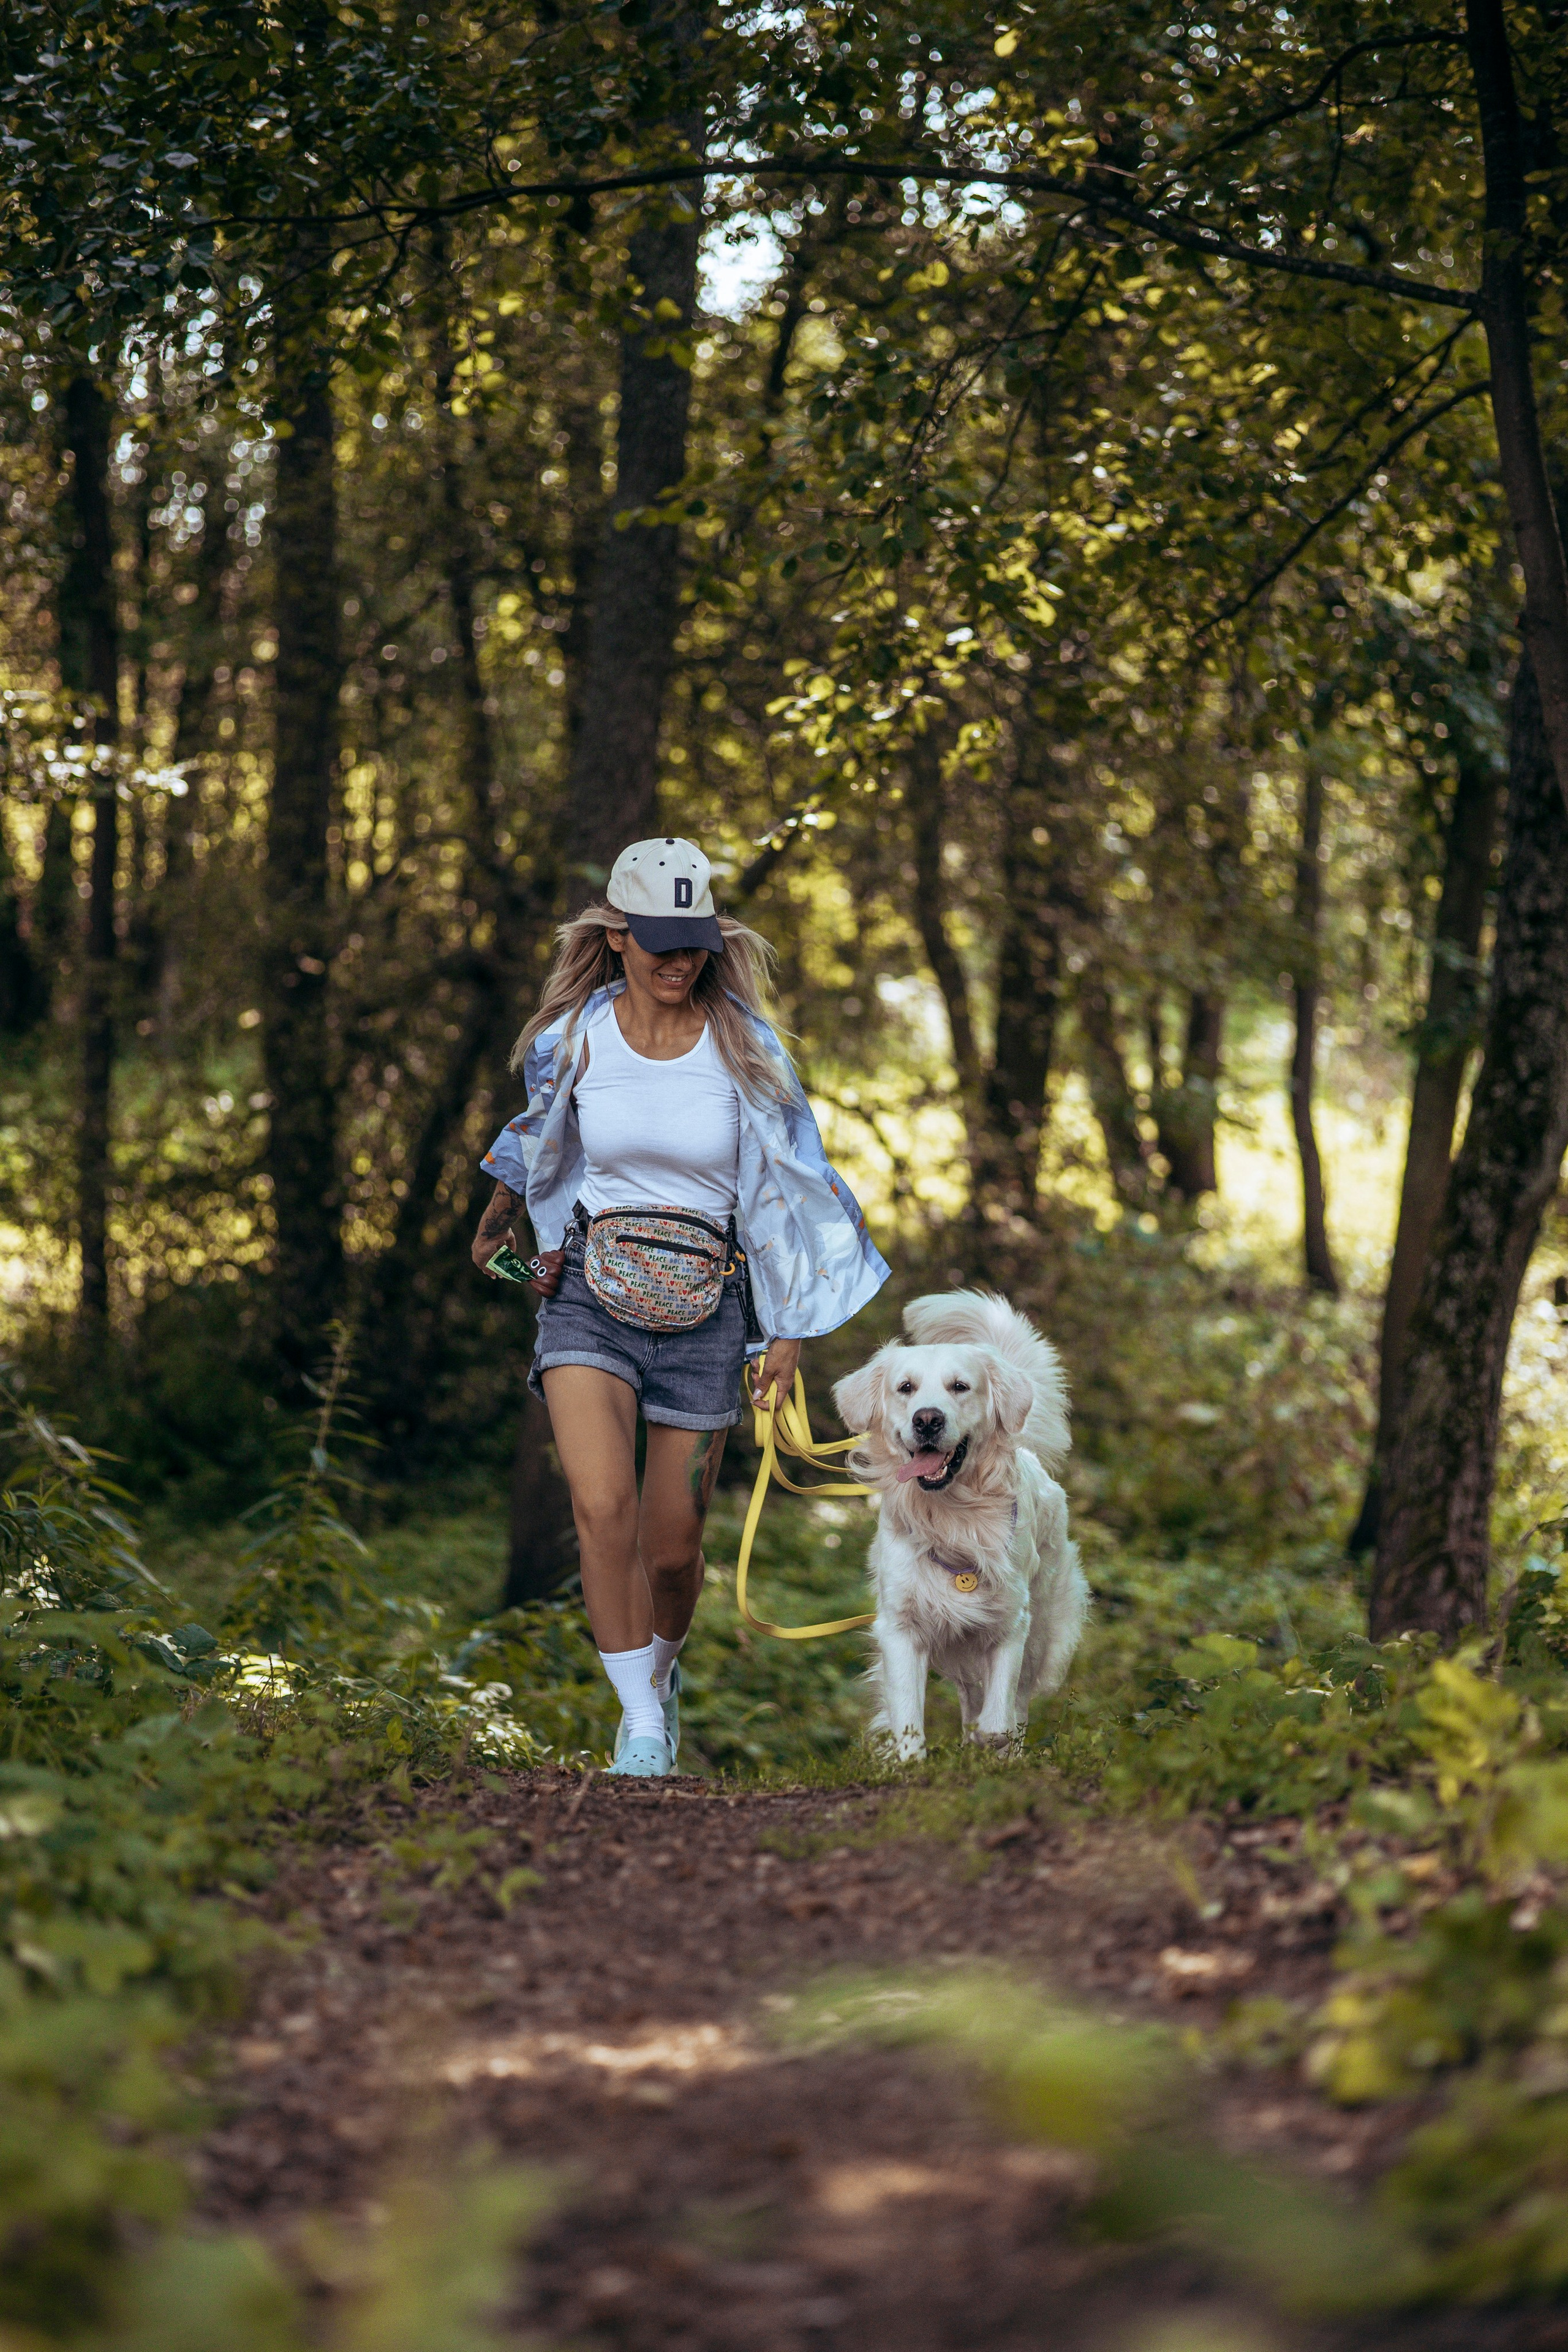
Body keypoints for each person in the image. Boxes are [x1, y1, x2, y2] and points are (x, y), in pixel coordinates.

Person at [472, 838, 889, 1778]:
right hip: (591, 1298)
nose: (680, 959)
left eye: (694, 940)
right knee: (601, 1505)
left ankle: (658, 1678)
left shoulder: (747, 1047)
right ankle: (639, 1726)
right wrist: (505, 1229)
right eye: (660, 941)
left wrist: (788, 1330)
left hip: (710, 1311)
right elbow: (534, 1140)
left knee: (672, 1551)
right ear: (618, 936)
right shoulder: (574, 1039)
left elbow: (795, 1186)